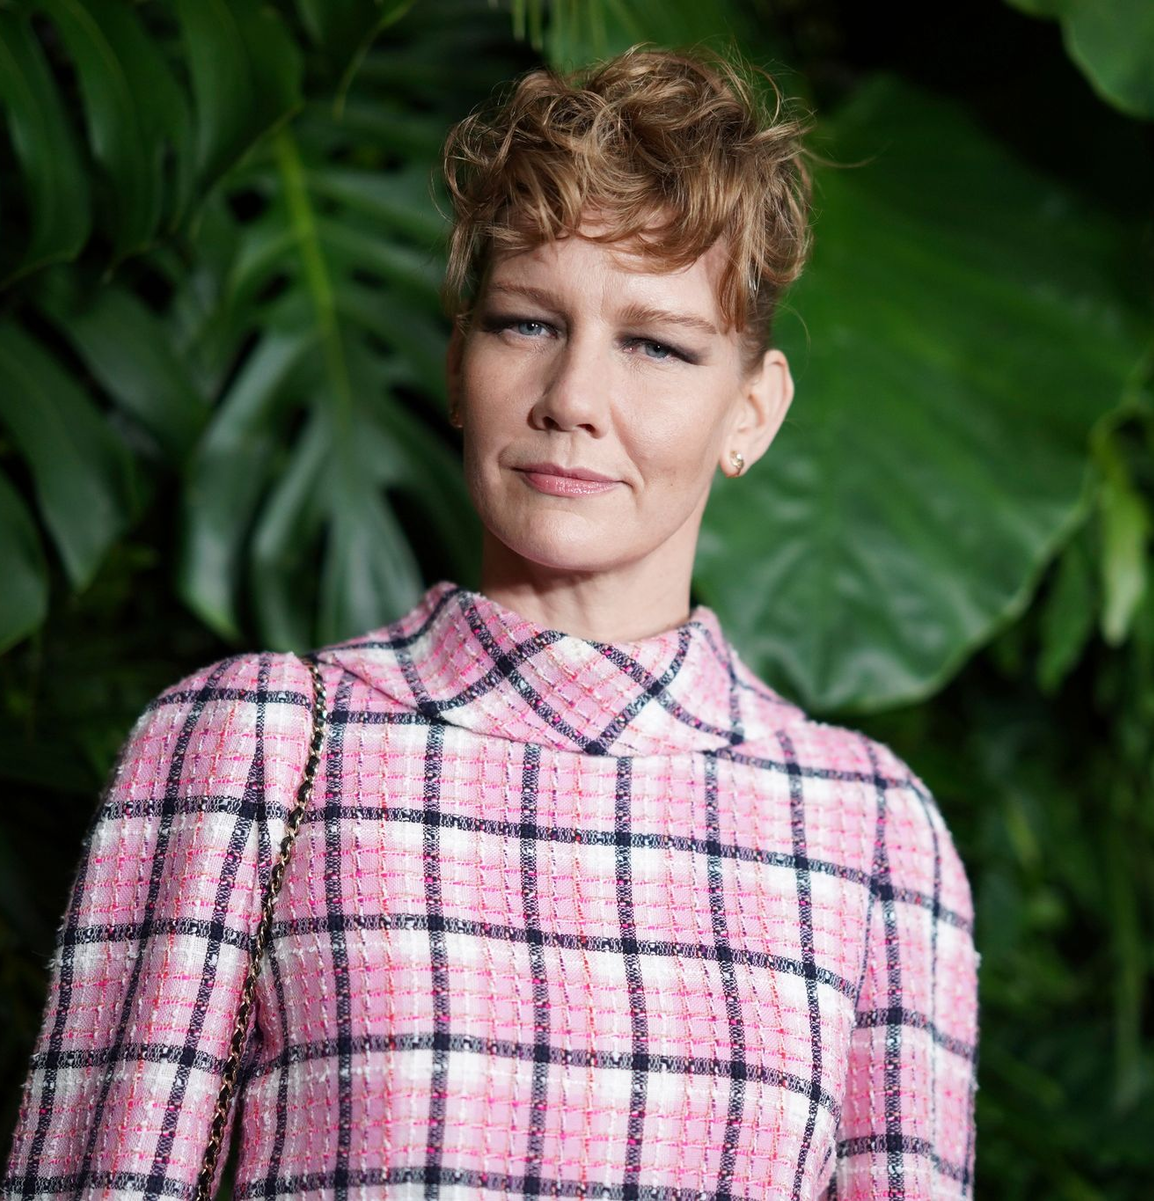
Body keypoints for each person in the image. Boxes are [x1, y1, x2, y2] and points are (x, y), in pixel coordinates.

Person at [2, 42, 979, 1201]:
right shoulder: (256, 743)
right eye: (526, 323)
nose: (572, 400)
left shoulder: (869, 834)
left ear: (751, 414)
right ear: (459, 359)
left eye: (657, 346)